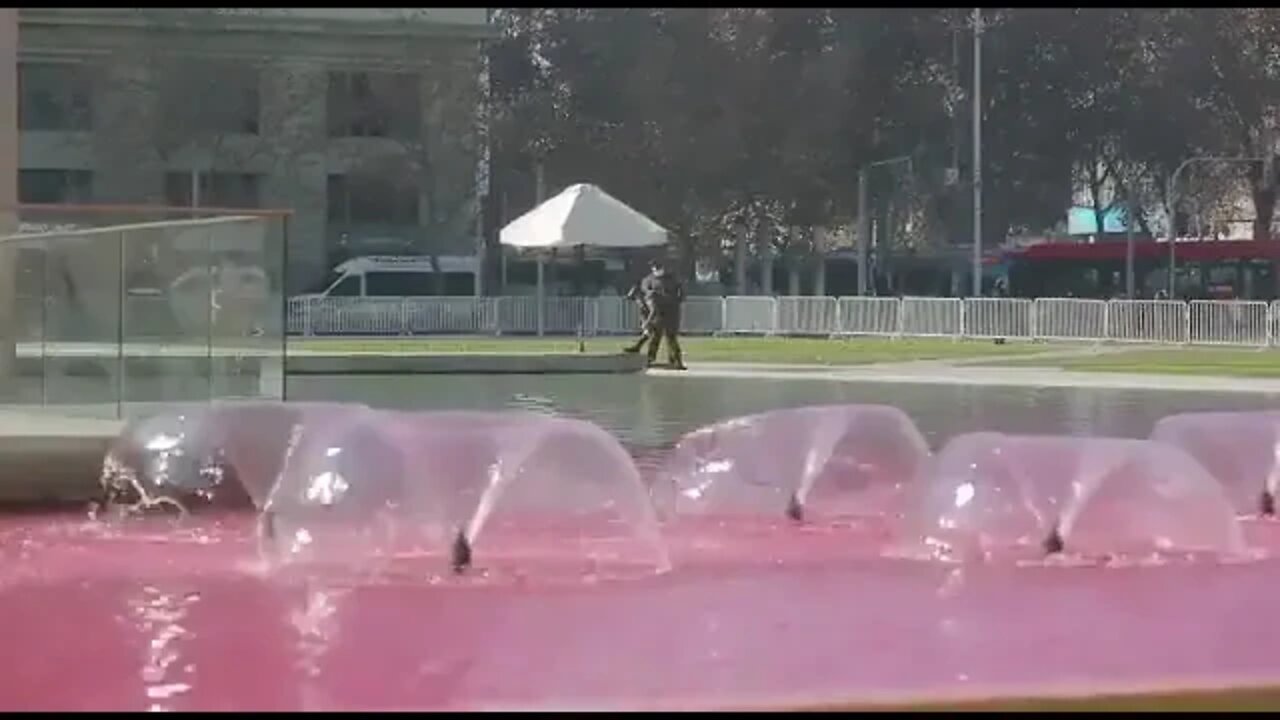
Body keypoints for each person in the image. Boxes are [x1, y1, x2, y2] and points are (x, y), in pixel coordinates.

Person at [630, 258, 687, 370]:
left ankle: (676, 360)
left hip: (672, 311)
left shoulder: (672, 278)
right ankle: (650, 359)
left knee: (671, 337)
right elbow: (647, 292)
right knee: (655, 337)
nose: (657, 269)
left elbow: (682, 291)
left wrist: (678, 299)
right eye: (654, 267)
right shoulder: (648, 280)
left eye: (658, 267)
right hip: (658, 311)